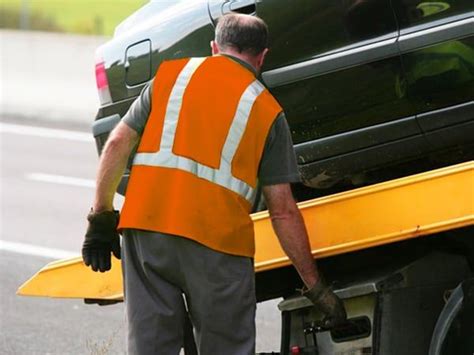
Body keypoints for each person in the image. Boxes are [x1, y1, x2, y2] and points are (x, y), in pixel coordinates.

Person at [82, 13, 346, 355]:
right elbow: (282, 212)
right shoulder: (267, 111)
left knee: (149, 347)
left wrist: (101, 216)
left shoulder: (171, 77)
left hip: (147, 231)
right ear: (262, 57)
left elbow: (117, 143)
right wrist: (316, 287)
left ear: (214, 47)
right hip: (216, 248)